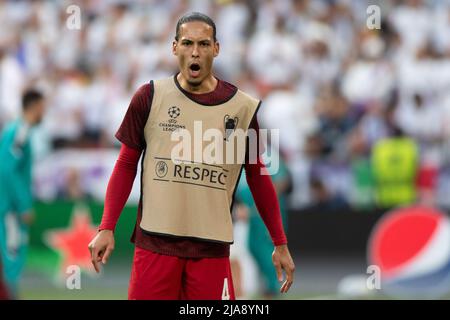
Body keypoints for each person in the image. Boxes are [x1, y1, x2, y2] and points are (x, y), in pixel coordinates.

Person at [88, 12, 295, 300]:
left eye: (203, 44)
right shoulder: (148, 97)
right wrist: (106, 226)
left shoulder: (244, 108)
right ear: (174, 47)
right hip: (154, 246)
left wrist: (280, 242)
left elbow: (259, 178)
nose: (195, 52)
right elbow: (125, 164)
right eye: (187, 43)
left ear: (216, 48)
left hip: (212, 250)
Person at [0, 89, 45, 298]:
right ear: (35, 106)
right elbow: (7, 169)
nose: (44, 112)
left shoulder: (16, 130)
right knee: (12, 257)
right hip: (9, 208)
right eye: (43, 107)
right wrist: (23, 205)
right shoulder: (21, 131)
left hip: (8, 205)